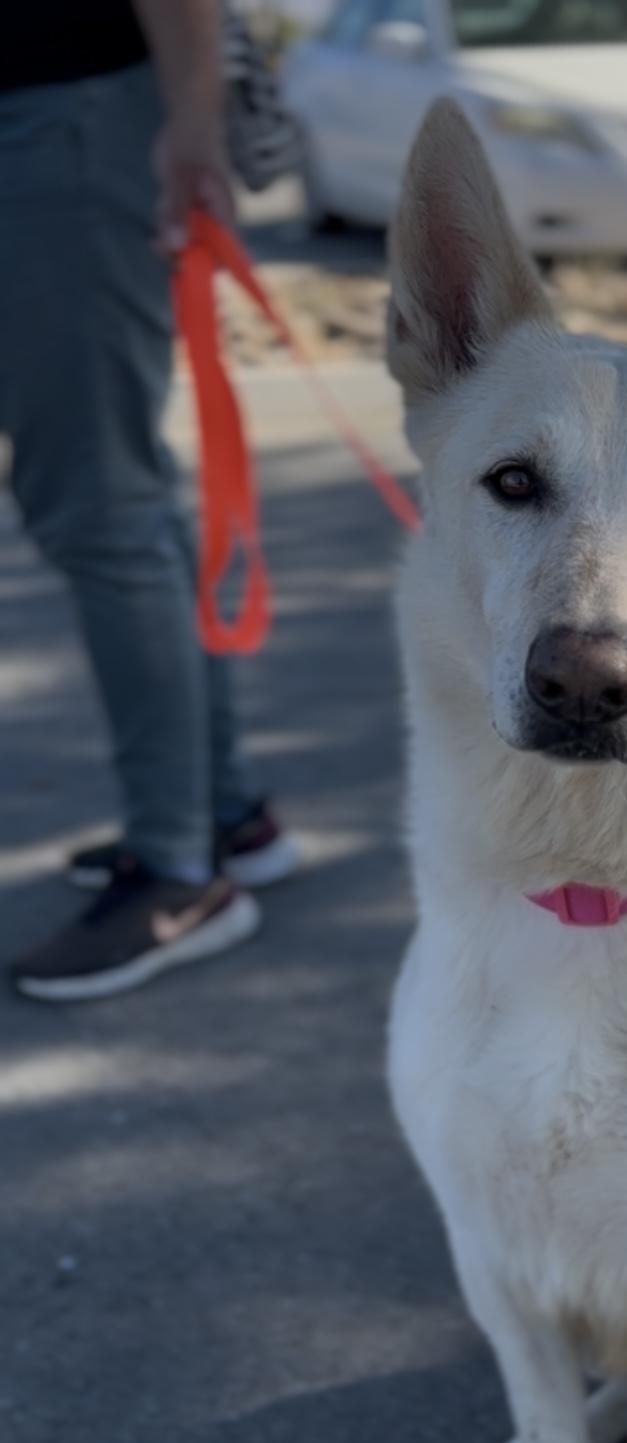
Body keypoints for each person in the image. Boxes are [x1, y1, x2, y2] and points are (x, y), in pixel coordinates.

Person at [2, 0, 297, 1004]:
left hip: (62, 118)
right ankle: (221, 816)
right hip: (61, 119)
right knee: (122, 495)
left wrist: (194, 126)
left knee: (101, 507)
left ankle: (180, 876)